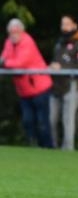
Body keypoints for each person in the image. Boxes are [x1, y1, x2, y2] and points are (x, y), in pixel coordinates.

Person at [0, 18, 53, 148]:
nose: (13, 35)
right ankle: (32, 146)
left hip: (40, 88)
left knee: (42, 122)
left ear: (22, 31)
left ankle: (47, 148)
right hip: (24, 90)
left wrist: (4, 63)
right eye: (11, 32)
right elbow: (4, 57)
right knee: (27, 121)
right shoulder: (8, 43)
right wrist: (4, 62)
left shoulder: (27, 42)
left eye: (16, 32)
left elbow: (19, 63)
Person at [49, 15, 78, 150]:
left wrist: (62, 68)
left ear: (74, 25)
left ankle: (68, 149)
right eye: (62, 24)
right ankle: (53, 147)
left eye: (67, 24)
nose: (64, 27)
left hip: (72, 86)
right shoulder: (59, 43)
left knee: (68, 118)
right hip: (56, 86)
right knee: (52, 119)